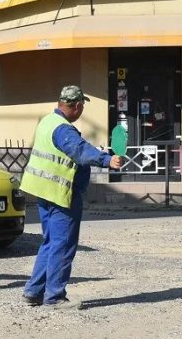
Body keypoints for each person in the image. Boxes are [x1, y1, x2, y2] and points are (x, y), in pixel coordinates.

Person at [19, 85, 125, 309]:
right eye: (82, 106)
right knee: (63, 244)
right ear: (77, 106)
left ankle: (33, 291)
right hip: (60, 194)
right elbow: (79, 151)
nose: (82, 109)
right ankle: (54, 297)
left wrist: (100, 154)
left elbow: (73, 150)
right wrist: (108, 161)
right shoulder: (64, 129)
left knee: (50, 243)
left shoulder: (47, 121)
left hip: (43, 191)